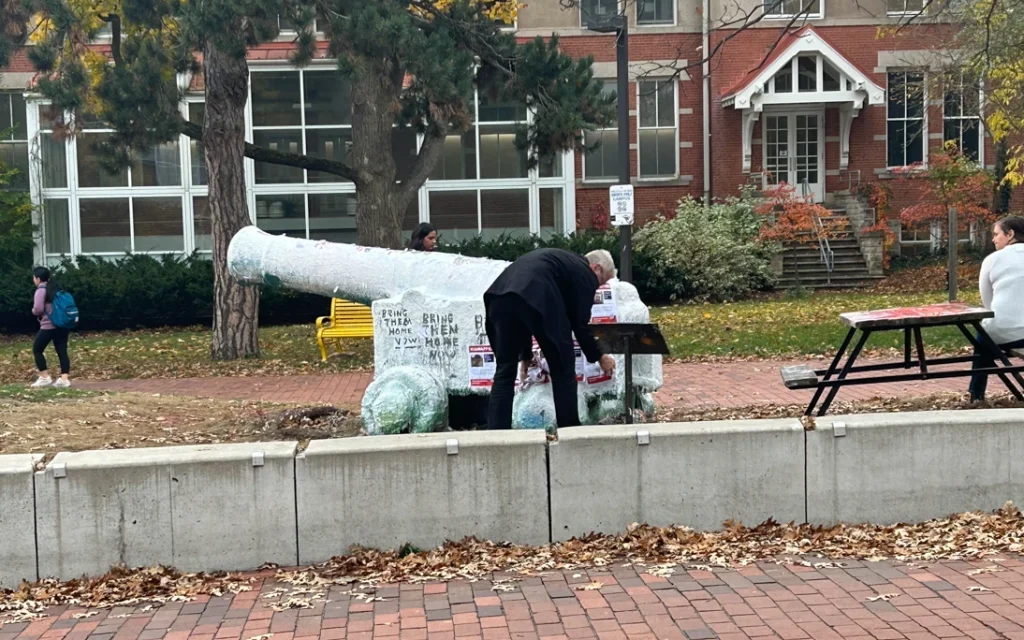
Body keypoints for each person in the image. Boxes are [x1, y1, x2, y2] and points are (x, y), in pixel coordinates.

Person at [484, 248, 617, 429]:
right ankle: (569, 430)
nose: (598, 286)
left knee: (505, 370)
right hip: (535, 295)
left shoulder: (564, 263)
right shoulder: (585, 273)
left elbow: (520, 303)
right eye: (602, 281)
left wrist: (525, 356)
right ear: (597, 268)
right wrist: (600, 356)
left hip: (498, 296)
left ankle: (497, 434)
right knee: (563, 366)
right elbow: (580, 324)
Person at [970, 216, 1024, 402]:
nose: (993, 239)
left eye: (996, 234)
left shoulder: (992, 260)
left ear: (1010, 234)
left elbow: (988, 304)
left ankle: (976, 395)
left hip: (1001, 333)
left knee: (981, 339)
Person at [30, 266, 71, 389]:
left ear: (38, 278)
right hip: (62, 325)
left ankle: (44, 377)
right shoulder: (57, 288)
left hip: (49, 325)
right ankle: (64, 379)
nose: (33, 280)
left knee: (37, 349)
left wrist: (33, 311)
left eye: (34, 277)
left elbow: (38, 309)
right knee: (62, 351)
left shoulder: (41, 290)